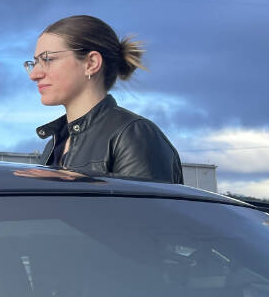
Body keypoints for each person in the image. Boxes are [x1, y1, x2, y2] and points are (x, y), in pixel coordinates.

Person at [25, 14, 182, 183]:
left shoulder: (133, 135)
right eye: (34, 63)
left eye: (47, 59)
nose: (34, 75)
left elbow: (146, 209)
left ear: (91, 63)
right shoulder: (55, 143)